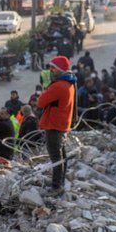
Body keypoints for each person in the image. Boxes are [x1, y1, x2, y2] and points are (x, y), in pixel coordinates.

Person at [36, 56, 76, 193]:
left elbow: (40, 102)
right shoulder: (69, 83)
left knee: (56, 157)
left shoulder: (59, 85)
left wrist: (45, 91)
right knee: (61, 155)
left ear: (59, 69)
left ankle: (56, 186)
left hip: (54, 124)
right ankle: (60, 182)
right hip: (62, 123)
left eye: (53, 67)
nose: (51, 70)